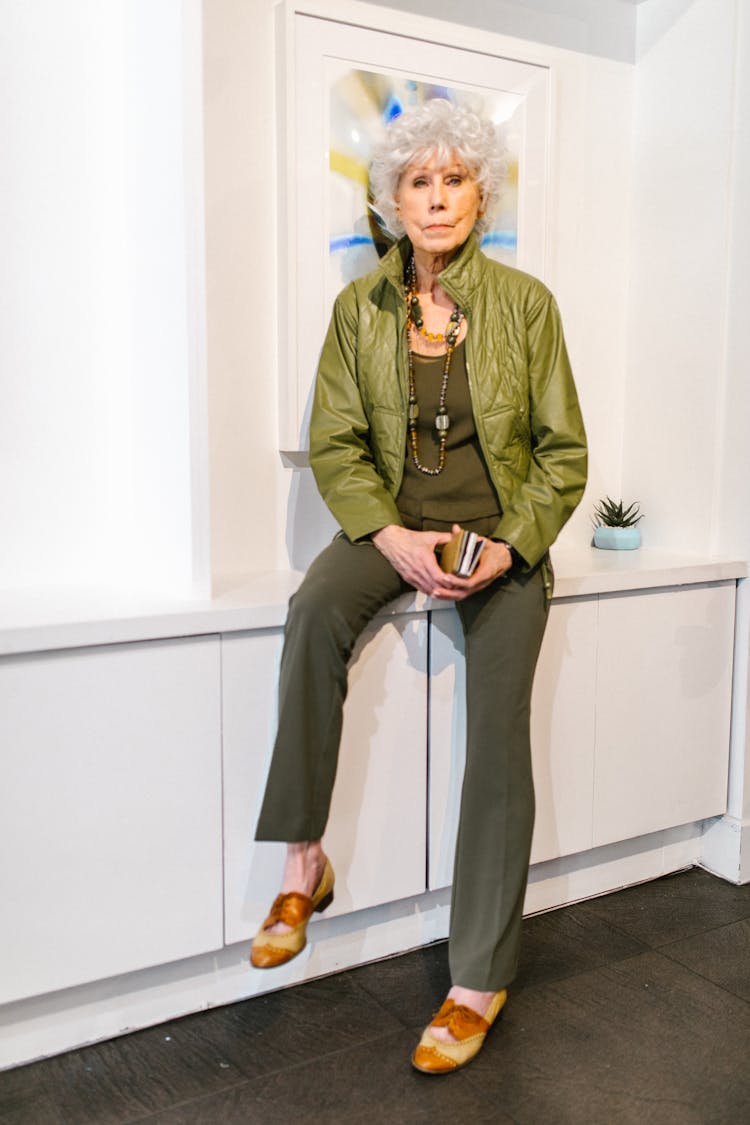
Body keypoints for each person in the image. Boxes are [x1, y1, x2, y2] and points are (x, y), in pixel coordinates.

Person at [250, 98, 587, 1074]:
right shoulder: (358, 311)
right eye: (418, 182)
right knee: (313, 609)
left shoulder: (526, 304)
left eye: (454, 179)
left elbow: (563, 455)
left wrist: (512, 545)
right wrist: (389, 535)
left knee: (498, 739)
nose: (437, 199)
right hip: (394, 532)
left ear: (480, 194)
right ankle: (302, 864)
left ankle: (478, 972)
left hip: (501, 542)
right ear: (393, 201)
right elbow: (337, 444)